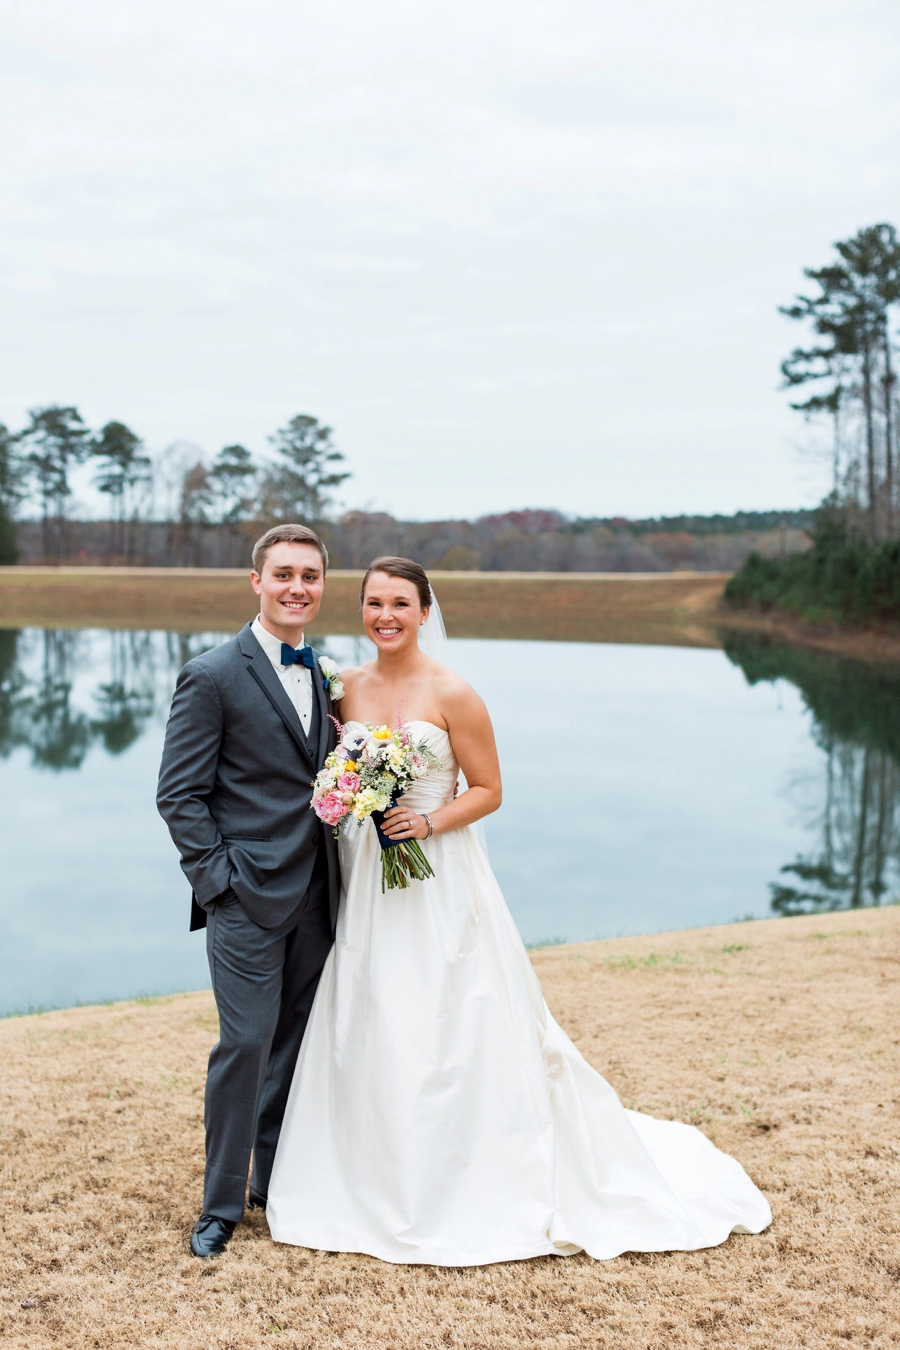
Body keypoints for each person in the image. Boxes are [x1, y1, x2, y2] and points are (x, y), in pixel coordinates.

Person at [266, 556, 772, 1265]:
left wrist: (429, 823)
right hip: (366, 878)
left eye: (400, 603)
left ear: (424, 609)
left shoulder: (454, 692)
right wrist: (350, 795)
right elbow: (334, 769)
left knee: (446, 1006)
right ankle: (364, 1169)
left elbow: (489, 788)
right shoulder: (342, 685)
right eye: (374, 602)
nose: (386, 615)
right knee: (373, 1005)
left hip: (436, 876)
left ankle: (470, 1168)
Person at [156, 524, 341, 1259]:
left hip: (319, 895)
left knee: (294, 1043)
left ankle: (274, 1180)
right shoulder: (212, 673)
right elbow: (179, 796)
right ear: (256, 582)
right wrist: (218, 882)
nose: (298, 587)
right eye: (285, 574)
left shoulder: (325, 672)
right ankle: (221, 1203)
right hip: (245, 897)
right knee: (245, 1043)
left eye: (311, 576)